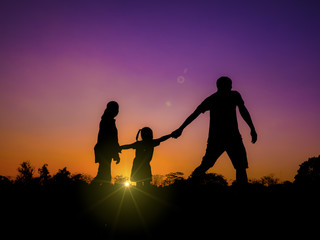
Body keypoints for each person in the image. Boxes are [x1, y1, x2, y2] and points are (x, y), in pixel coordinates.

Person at [172, 76, 257, 184]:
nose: (230, 87)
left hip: (232, 138)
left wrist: (252, 128)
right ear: (221, 86)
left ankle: (242, 192)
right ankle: (191, 186)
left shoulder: (233, 95)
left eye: (230, 85)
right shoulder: (213, 99)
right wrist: (180, 129)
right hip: (218, 139)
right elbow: (195, 114)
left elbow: (243, 111)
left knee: (240, 167)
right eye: (228, 85)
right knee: (208, 165)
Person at [93, 101, 121, 184]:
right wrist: (115, 152)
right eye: (116, 109)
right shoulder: (108, 121)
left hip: (103, 150)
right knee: (104, 174)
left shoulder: (106, 120)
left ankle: (97, 190)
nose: (117, 112)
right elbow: (111, 138)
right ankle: (95, 191)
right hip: (105, 150)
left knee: (103, 173)